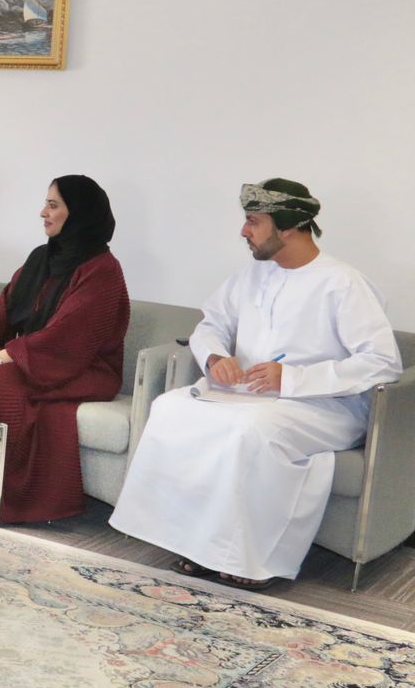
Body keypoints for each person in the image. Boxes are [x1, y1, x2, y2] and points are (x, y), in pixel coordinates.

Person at [109, 180, 400, 590]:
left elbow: (382, 362)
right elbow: (211, 324)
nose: (244, 232)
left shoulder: (343, 283)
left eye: (253, 222)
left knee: (251, 430)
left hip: (326, 405)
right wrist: (214, 356)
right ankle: (196, 543)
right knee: (171, 407)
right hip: (249, 395)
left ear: (289, 227)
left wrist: (293, 378)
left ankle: (246, 558)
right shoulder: (252, 275)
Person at [0, 175, 129, 523]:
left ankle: (2, 501)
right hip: (38, 358)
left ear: (79, 213)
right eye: (46, 203)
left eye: (53, 205)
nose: (43, 212)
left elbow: (66, 339)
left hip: (86, 369)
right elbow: (2, 313)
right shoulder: (42, 258)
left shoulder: (103, 270)